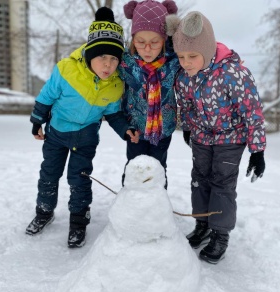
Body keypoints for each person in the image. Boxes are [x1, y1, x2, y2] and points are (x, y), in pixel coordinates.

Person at [25, 7, 139, 248]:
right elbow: (46, 96)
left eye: (114, 58)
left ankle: (78, 220)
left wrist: (125, 129)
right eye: (102, 57)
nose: (108, 65)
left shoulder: (116, 84)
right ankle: (44, 211)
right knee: (49, 174)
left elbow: (114, 113)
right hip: (56, 133)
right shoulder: (67, 70)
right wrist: (37, 120)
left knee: (79, 179)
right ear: (89, 54)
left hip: (86, 138)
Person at [166, 11, 266, 263]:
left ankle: (220, 233)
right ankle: (203, 224)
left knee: (222, 184)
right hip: (201, 137)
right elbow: (186, 105)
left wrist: (257, 150)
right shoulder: (183, 77)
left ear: (208, 50)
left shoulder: (234, 74)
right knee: (199, 180)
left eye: (192, 56)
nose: (186, 62)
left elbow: (252, 112)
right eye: (181, 56)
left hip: (230, 139)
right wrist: (188, 127)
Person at [120, 0, 180, 188]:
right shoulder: (125, 63)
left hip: (163, 129)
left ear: (164, 40)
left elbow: (202, 52)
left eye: (154, 42)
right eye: (141, 42)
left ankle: (157, 207)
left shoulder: (175, 61)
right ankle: (130, 202)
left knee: (158, 168)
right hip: (135, 129)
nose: (147, 49)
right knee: (134, 167)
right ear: (133, 40)